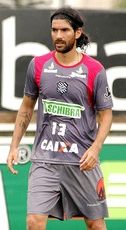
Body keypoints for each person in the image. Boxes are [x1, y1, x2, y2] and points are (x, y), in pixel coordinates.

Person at [6, 6, 113, 230]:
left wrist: (95, 149)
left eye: (64, 30)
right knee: (34, 222)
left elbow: (105, 115)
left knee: (95, 224)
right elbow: (26, 107)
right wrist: (14, 145)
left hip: (81, 162)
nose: (58, 36)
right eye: (54, 30)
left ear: (77, 33)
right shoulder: (38, 65)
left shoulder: (95, 70)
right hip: (45, 160)